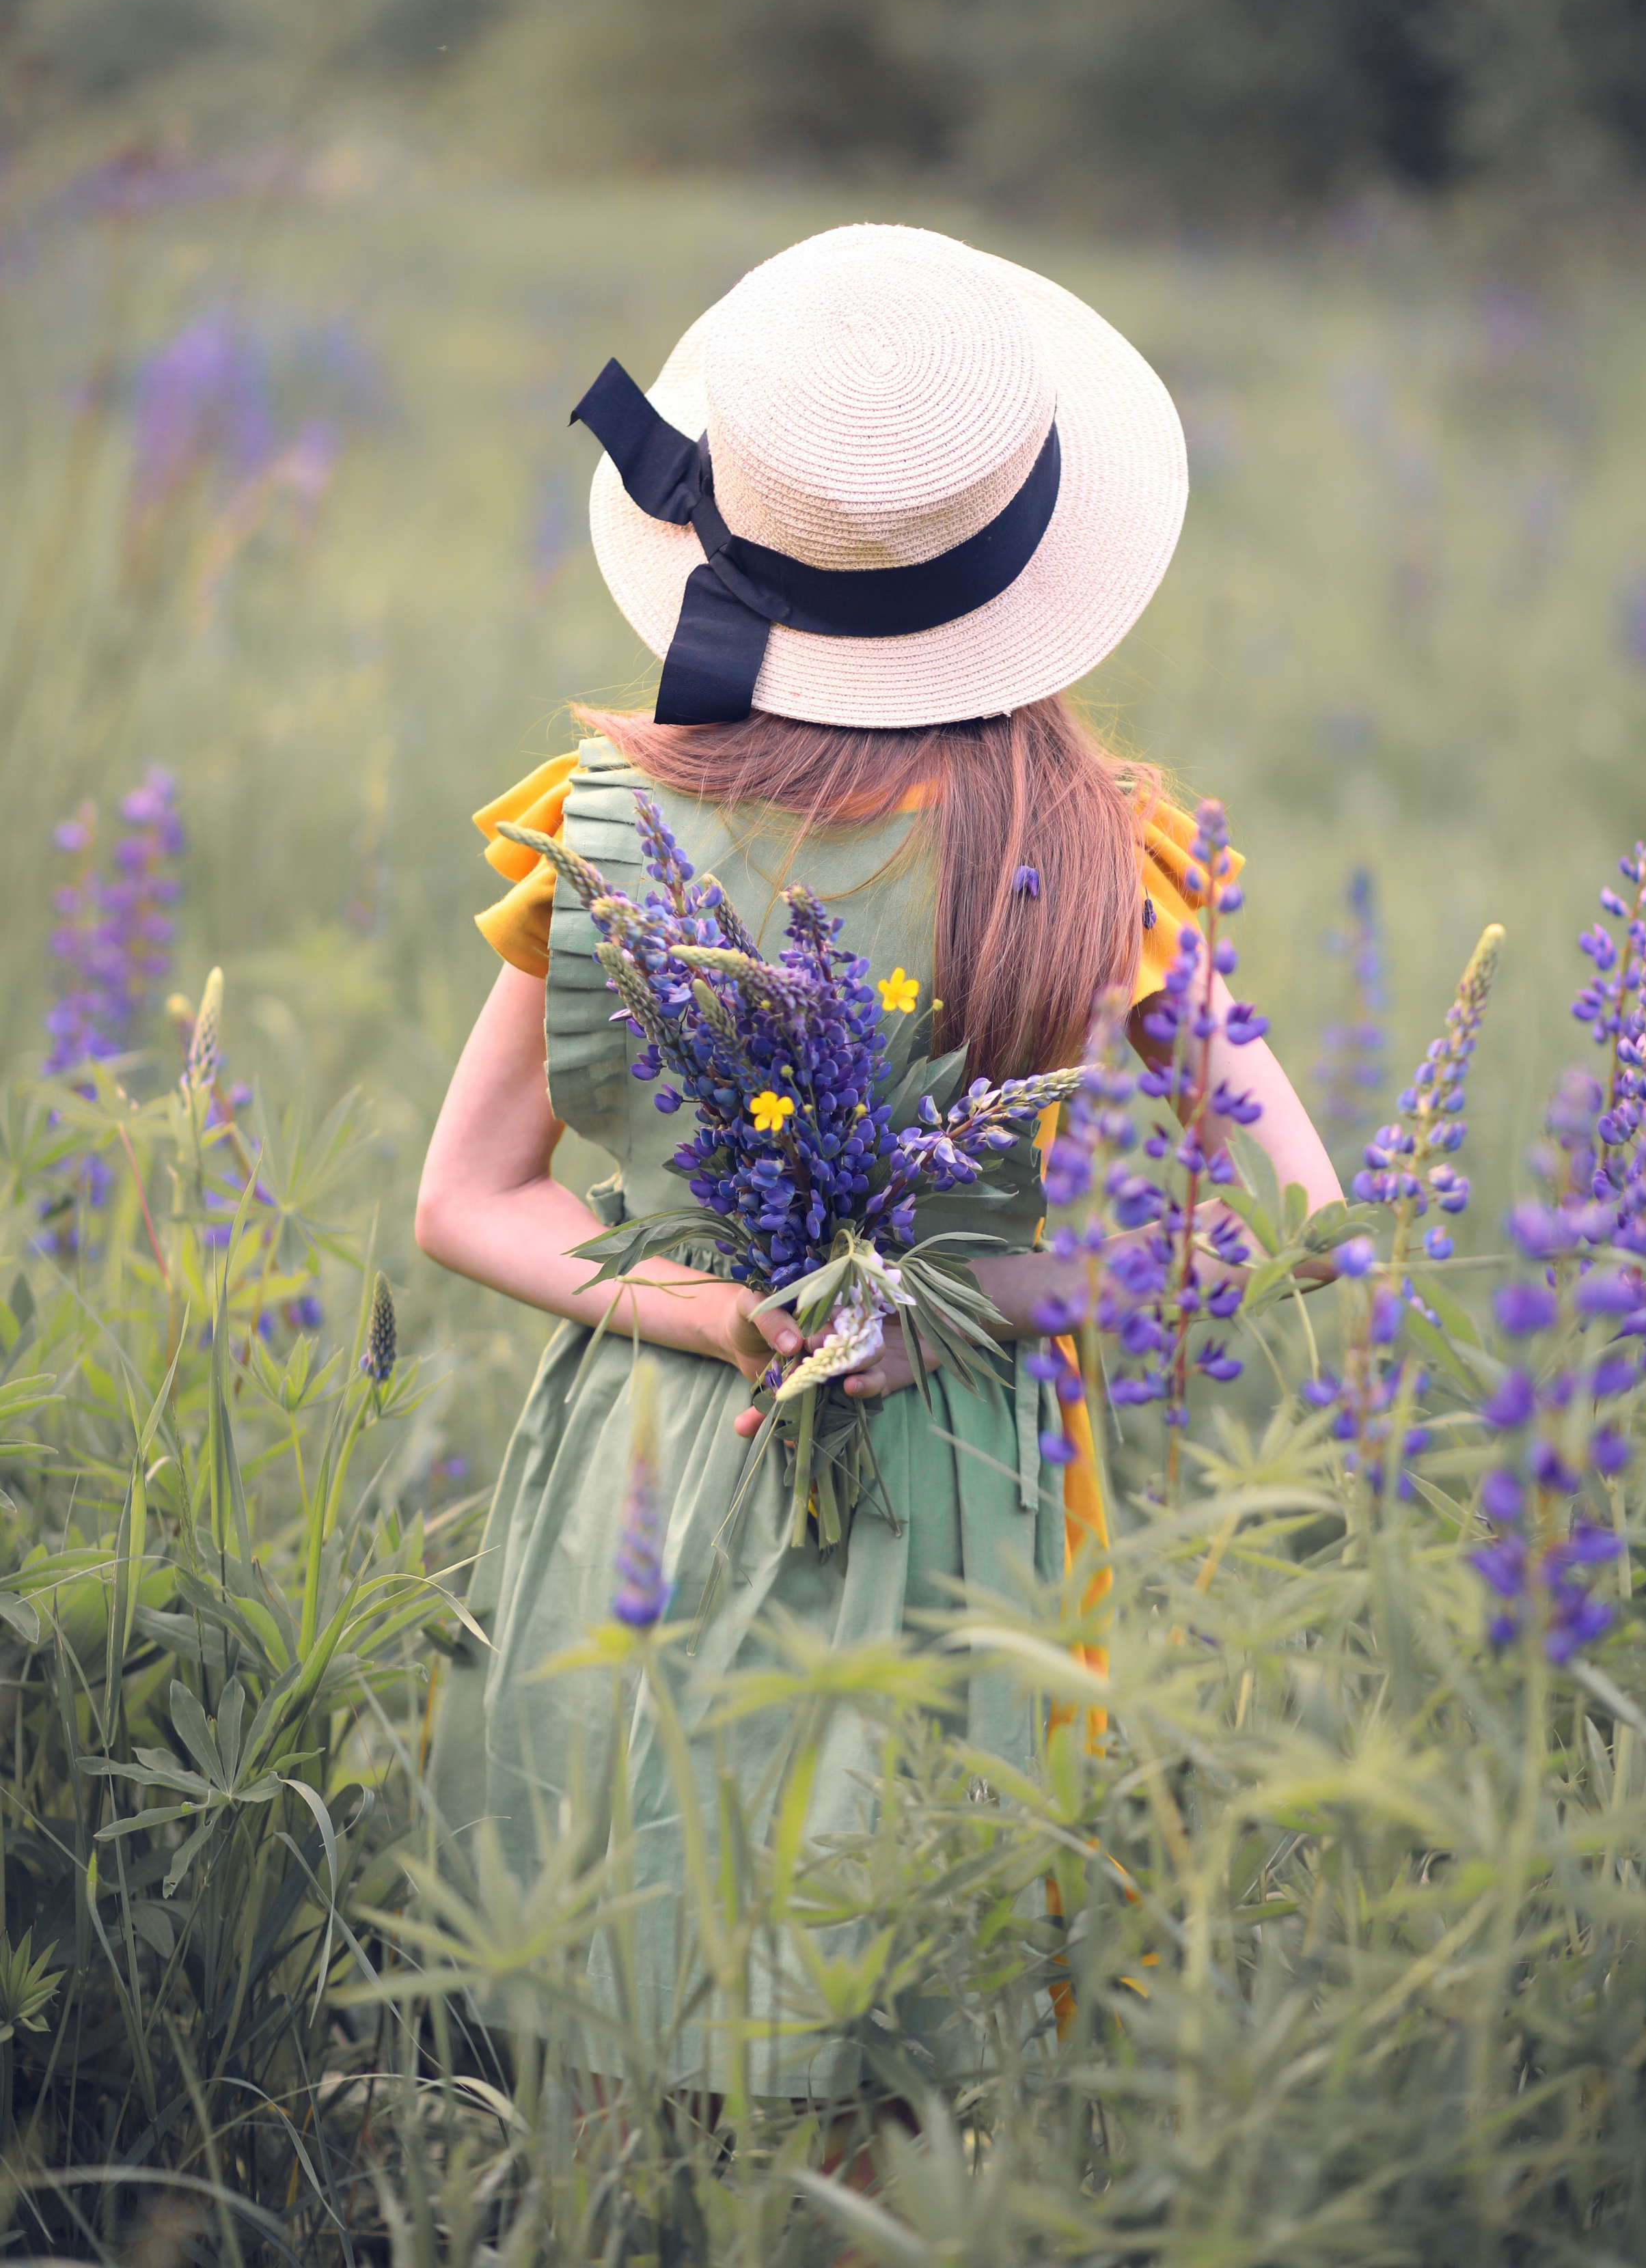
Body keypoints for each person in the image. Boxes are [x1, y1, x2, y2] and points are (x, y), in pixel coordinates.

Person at [415, 221, 1339, 2097]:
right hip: (968, 1491)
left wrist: (719, 1313)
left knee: (628, 2001)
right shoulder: (1101, 855)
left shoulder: (606, 829)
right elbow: (1295, 1231)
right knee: (908, 2054)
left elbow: (461, 1200)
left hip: (656, 1467)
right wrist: (975, 1302)